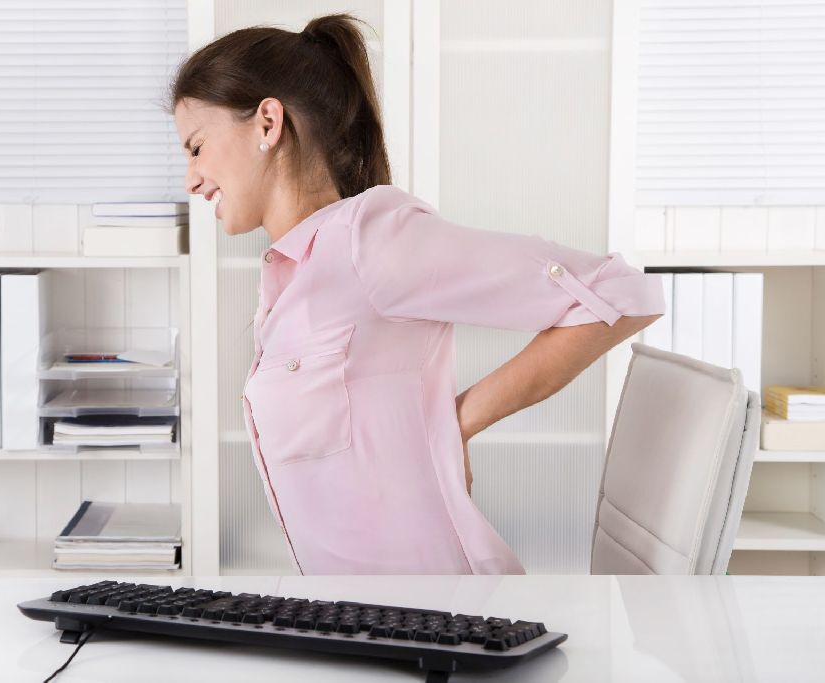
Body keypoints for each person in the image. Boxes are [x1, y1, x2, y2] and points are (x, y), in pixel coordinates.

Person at [167, 13, 664, 575]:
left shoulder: (371, 240)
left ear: (267, 122)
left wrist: (457, 422)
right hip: (357, 615)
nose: (190, 179)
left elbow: (622, 294)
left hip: (439, 612)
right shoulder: (291, 273)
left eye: (196, 147)